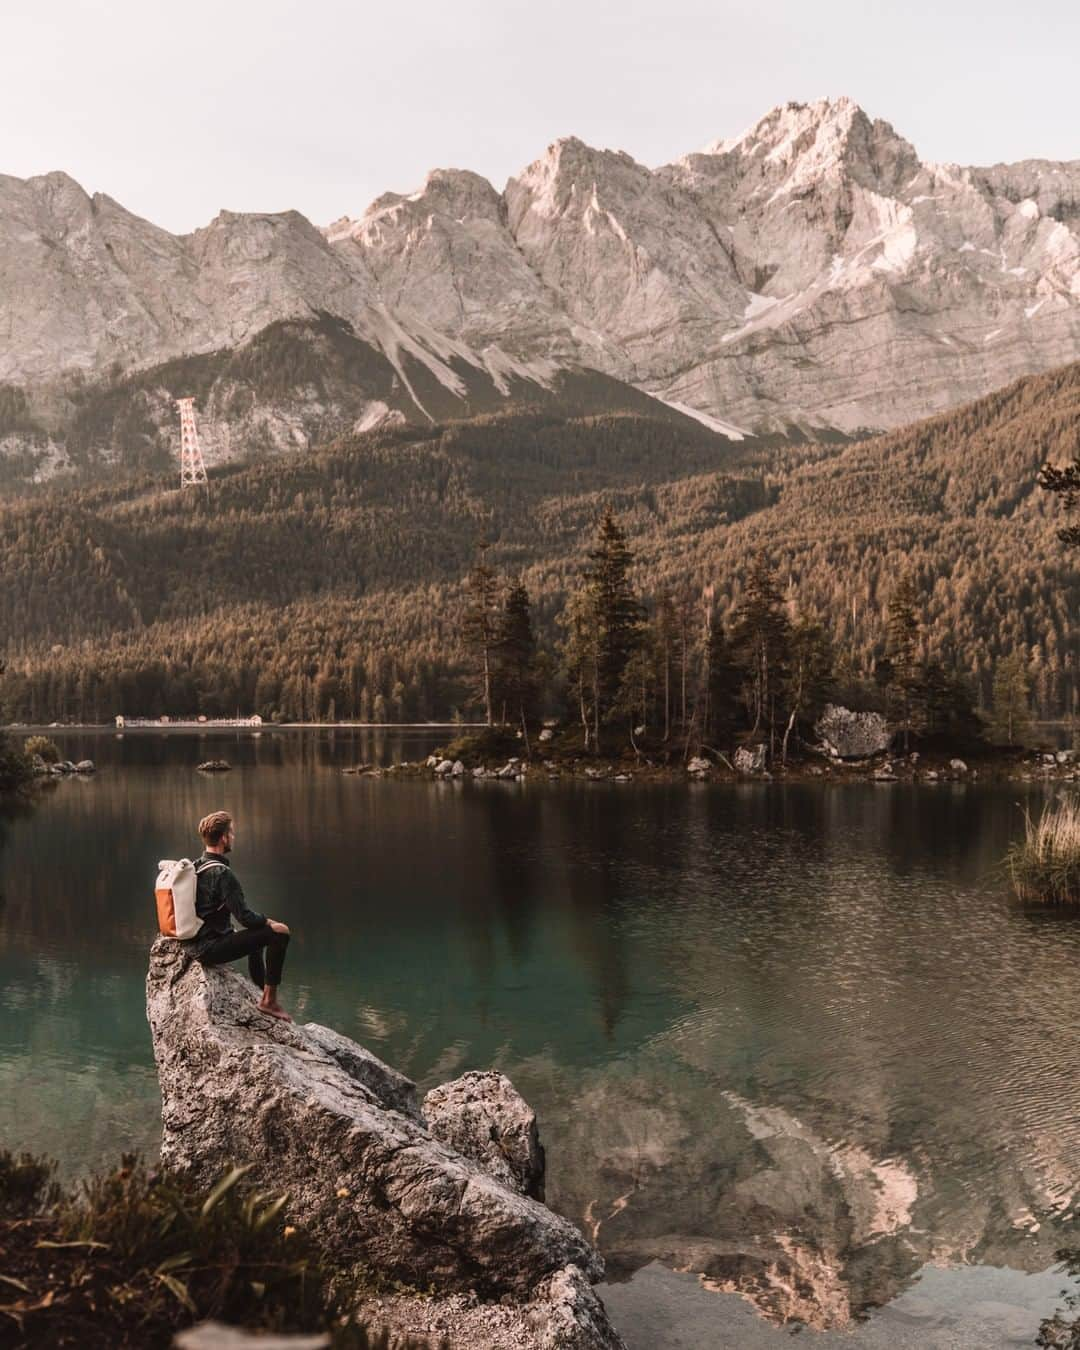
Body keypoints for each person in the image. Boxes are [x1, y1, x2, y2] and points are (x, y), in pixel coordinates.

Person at [192, 810, 292, 1022]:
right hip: (210, 949)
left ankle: (259, 991)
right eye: (232, 833)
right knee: (279, 933)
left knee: (256, 936)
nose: (233, 838)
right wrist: (269, 922)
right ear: (223, 838)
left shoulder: (196, 866)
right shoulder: (222, 874)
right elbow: (245, 917)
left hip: (195, 945)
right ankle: (269, 1001)